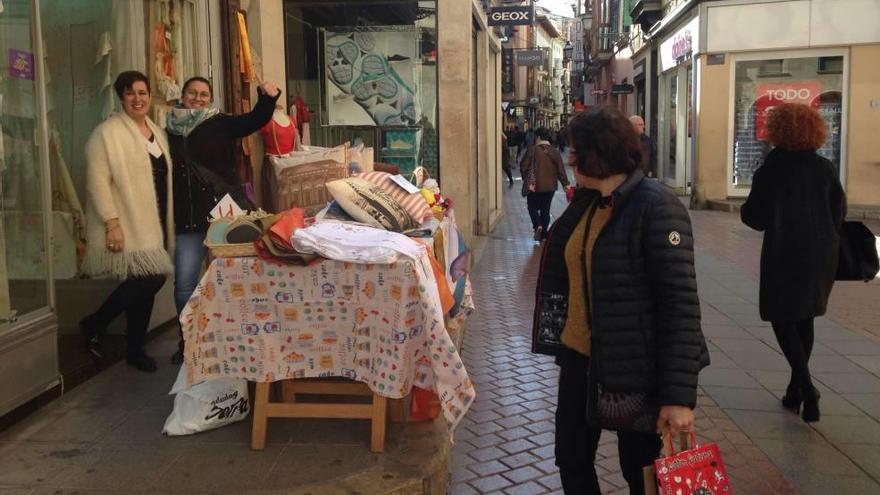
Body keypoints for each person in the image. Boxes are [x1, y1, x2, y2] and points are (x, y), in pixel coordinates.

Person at [532, 107, 709, 494]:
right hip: (582, 361)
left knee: (640, 470)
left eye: (577, 152)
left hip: (636, 366)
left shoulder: (655, 206)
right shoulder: (588, 203)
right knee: (572, 458)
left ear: (600, 153)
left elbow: (680, 306)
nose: (571, 159)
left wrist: (679, 398)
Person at [741, 103, 845, 423]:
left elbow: (755, 217)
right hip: (822, 255)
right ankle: (794, 390)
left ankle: (808, 387)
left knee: (782, 318)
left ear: (778, 130)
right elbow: (838, 212)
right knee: (805, 318)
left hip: (785, 254)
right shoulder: (824, 168)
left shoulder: (772, 168)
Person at [167, 76, 280, 364]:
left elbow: (255, 119)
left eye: (204, 94)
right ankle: (187, 341)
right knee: (185, 283)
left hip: (222, 216)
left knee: (231, 278)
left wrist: (267, 98)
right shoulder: (168, 129)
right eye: (192, 93)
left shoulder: (219, 122)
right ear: (182, 95)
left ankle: (233, 336)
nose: (198, 98)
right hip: (187, 216)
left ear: (210, 98)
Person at [79, 71, 174, 372]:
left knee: (144, 281)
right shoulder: (107, 133)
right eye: (131, 93)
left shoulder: (157, 132)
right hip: (127, 220)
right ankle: (95, 323)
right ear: (122, 97)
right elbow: (97, 181)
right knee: (151, 277)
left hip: (154, 220)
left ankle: (134, 348)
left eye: (143, 92)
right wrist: (112, 222)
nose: (138, 99)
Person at [520, 127, 569, 241]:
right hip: (550, 187)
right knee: (545, 210)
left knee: (532, 207)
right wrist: (565, 184)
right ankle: (544, 234)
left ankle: (538, 225)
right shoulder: (554, 151)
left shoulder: (532, 150)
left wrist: (526, 178)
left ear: (538, 137)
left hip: (535, 186)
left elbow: (523, 166)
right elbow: (561, 170)